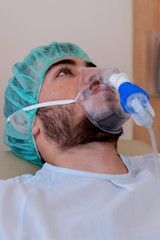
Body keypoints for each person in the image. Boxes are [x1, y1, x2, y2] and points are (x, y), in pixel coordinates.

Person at [1, 41, 160, 239]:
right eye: (64, 72)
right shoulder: (11, 205)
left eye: (92, 69)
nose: (99, 77)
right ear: (26, 120)